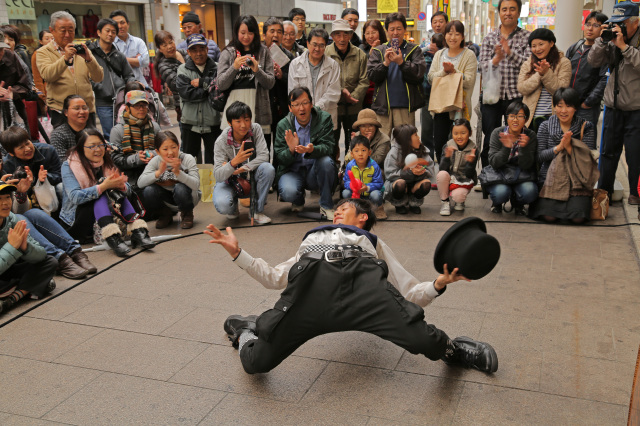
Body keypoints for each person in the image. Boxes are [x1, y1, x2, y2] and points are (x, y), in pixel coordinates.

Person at [206, 199, 500, 376]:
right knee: (256, 363)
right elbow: (273, 278)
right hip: (311, 292)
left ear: (363, 218)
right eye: (335, 209)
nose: (337, 212)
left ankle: (454, 351)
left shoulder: (371, 241)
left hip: (366, 291)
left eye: (344, 208)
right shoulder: (310, 239)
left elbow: (409, 294)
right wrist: (237, 252)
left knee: (422, 339)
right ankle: (247, 331)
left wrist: (440, 283)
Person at [60, 129, 155, 256]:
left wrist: (121, 185)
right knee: (102, 190)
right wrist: (103, 186)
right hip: (77, 220)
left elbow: (127, 189)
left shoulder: (106, 160)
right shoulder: (69, 165)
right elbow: (75, 197)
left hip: (103, 215)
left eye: (100, 145)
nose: (98, 150)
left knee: (111, 188)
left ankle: (139, 231)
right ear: (80, 148)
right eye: (92, 146)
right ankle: (113, 238)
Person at [588, 1, 640, 205]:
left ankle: (636, 194)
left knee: (635, 155)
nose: (618, 27)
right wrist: (602, 41)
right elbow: (593, 61)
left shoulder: (629, 41)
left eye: (623, 23)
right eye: (615, 23)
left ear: (635, 23)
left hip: (636, 109)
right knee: (607, 153)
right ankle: (604, 191)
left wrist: (625, 48)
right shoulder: (611, 38)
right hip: (613, 107)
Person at [5, 165, 96, 279]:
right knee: (19, 219)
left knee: (33, 213)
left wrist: (20, 194)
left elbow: (14, 212)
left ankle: (75, 251)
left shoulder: (5, 174)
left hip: (8, 225)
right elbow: (11, 217)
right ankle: (60, 259)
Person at [529, 88, 597, 223]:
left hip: (576, 180)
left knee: (578, 218)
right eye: (559, 106)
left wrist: (570, 148)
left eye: (568, 106)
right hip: (550, 178)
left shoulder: (586, 126)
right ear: (554, 107)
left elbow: (587, 161)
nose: (563, 111)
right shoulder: (545, 126)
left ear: (576, 108)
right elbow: (539, 157)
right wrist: (558, 148)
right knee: (549, 217)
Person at [478, 0, 531, 168]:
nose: (508, 13)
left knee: (516, 135)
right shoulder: (489, 38)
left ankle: (511, 173)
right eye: (504, 9)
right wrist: (496, 60)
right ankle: (488, 176)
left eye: (512, 9)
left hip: (516, 97)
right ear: (499, 12)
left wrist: (509, 52)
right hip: (492, 97)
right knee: (490, 138)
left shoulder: (527, 37)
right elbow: (482, 66)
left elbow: (528, 66)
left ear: (518, 12)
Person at [275, 87, 337, 219]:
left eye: (304, 103)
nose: (301, 108)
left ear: (311, 103)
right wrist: (291, 149)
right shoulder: (283, 125)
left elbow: (329, 147)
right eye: (296, 105)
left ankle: (326, 205)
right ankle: (297, 199)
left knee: (326, 162)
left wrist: (312, 150)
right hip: (293, 171)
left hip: (314, 171)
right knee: (288, 191)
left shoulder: (324, 118)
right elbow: (280, 158)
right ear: (290, 108)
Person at [36, 11, 104, 128]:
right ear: (52, 30)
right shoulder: (43, 52)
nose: (67, 34)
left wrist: (89, 60)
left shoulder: (81, 48)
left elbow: (98, 78)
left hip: (86, 110)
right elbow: (48, 75)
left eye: (71, 30)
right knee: (66, 145)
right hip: (61, 111)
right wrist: (65, 59)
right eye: (63, 30)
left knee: (90, 144)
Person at [213, 101, 275, 225]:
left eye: (247, 120)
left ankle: (257, 211)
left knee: (268, 169)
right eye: (238, 121)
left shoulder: (255, 129)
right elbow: (218, 175)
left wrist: (244, 168)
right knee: (224, 206)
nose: (243, 125)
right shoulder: (221, 141)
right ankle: (233, 206)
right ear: (229, 123)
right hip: (229, 181)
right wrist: (234, 162)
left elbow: (264, 155)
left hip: (250, 175)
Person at [0, 181, 57, 314]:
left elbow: (41, 254)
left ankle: (11, 299)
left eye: (7, 197)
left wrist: (26, 247)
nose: (5, 203)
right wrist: (12, 246)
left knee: (50, 262)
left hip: (9, 269)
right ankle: (29, 287)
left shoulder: (12, 219)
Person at [367, 13, 427, 137]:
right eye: (392, 29)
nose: (395, 33)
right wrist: (385, 64)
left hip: (405, 106)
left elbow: (419, 74)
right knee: (382, 143)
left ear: (405, 29)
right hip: (383, 107)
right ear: (387, 31)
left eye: (399, 29)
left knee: (405, 144)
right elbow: (372, 76)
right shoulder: (379, 50)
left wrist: (401, 62)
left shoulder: (414, 49)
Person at [428, 20, 478, 162]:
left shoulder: (469, 55)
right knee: (439, 143)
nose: (453, 37)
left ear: (462, 36)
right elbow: (431, 77)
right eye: (450, 33)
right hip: (440, 105)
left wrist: (454, 71)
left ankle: (458, 175)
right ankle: (444, 174)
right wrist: (444, 71)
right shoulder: (439, 55)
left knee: (459, 142)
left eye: (457, 34)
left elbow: (469, 81)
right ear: (445, 36)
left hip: (459, 107)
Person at [217, 15, 275, 136]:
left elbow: (270, 83)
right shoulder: (228, 52)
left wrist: (257, 70)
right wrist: (234, 67)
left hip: (259, 105)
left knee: (259, 148)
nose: (246, 37)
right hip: (234, 104)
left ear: (255, 34)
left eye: (250, 33)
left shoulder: (263, 51)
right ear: (236, 32)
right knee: (235, 148)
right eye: (242, 32)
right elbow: (221, 84)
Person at [138, 131, 200, 229]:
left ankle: (187, 214)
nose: (170, 152)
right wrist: (158, 173)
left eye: (173, 147)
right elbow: (140, 183)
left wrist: (179, 173)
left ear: (179, 146)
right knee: (149, 190)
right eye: (165, 149)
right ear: (158, 151)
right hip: (167, 199)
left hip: (188, 197)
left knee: (180, 188)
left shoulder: (187, 158)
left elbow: (196, 185)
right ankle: (165, 214)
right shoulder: (156, 161)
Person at [485, 101, 539, 215]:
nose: (515, 120)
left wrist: (524, 148)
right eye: (512, 116)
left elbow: (527, 165)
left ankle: (518, 202)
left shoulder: (530, 135)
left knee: (530, 192)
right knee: (500, 193)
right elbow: (494, 163)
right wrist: (506, 147)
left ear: (526, 119)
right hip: (500, 173)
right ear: (507, 118)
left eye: (520, 116)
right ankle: (497, 203)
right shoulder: (497, 133)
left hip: (522, 174)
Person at [325, 19, 369, 161]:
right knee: (331, 144)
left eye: (346, 34)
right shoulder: (326, 53)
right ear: (332, 36)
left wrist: (353, 97)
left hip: (354, 108)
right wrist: (340, 93)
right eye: (337, 34)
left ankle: (352, 177)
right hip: (332, 108)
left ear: (351, 35)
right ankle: (332, 176)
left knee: (354, 145)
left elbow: (364, 80)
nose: (342, 38)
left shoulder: (360, 54)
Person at [110, 90, 162, 207]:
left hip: (153, 174)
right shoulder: (118, 131)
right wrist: (137, 158)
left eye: (144, 105)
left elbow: (164, 149)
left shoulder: (154, 127)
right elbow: (115, 159)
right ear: (127, 108)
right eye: (137, 106)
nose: (141, 109)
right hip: (131, 179)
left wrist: (153, 153)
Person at [88, 18, 136, 141]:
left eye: (113, 32)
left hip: (120, 101)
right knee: (109, 134)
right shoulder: (90, 54)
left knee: (124, 133)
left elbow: (129, 75)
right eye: (107, 31)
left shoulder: (118, 55)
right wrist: (99, 87)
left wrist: (129, 88)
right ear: (99, 32)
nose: (110, 34)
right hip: (103, 102)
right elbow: (86, 76)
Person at [176, 34, 220, 165]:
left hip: (213, 122)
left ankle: (213, 186)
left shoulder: (218, 68)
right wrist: (210, 87)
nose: (198, 53)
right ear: (188, 52)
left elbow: (221, 89)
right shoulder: (182, 70)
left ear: (207, 49)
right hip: (190, 123)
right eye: (194, 50)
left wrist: (202, 82)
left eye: (201, 48)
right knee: (190, 163)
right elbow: (187, 94)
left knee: (214, 162)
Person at [517, 29, 571, 133]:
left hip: (553, 118)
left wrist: (546, 73)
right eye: (533, 46)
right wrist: (539, 74)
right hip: (530, 119)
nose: (537, 49)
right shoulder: (528, 63)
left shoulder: (564, 62)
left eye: (541, 44)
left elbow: (561, 90)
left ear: (551, 43)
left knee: (549, 149)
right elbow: (522, 88)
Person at [288, 27, 341, 131]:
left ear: (326, 46)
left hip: (326, 119)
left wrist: (315, 108)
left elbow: (334, 93)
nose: (317, 49)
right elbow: (293, 92)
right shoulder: (295, 64)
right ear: (308, 44)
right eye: (314, 44)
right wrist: (306, 108)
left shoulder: (333, 65)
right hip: (302, 119)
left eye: (321, 45)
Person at [566, 11, 608, 135]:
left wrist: (588, 102)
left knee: (585, 142)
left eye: (596, 25)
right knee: (566, 139)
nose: (590, 28)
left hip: (587, 107)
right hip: (569, 103)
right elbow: (564, 71)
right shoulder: (575, 47)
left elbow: (604, 79)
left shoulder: (604, 51)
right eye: (588, 24)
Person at [345, 108, 391, 219]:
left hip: (375, 172)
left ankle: (379, 207)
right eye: (363, 126)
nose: (367, 129)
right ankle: (354, 209)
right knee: (345, 191)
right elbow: (347, 159)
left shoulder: (384, 139)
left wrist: (366, 143)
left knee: (376, 193)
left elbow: (377, 160)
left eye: (370, 125)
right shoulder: (356, 137)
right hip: (357, 172)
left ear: (376, 126)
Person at [1, 126, 62, 202]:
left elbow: (59, 175)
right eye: (21, 147)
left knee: (61, 187)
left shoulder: (48, 151)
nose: (28, 149)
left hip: (50, 192)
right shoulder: (7, 164)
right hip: (24, 200)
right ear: (11, 153)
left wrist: (45, 178)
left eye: (27, 143)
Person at [384, 124, 435, 215]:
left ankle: (414, 203)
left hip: (415, 184)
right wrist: (408, 172)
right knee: (400, 184)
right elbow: (390, 174)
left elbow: (430, 170)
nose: (418, 137)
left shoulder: (422, 150)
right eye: (415, 135)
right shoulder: (394, 153)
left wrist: (421, 171)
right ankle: (399, 204)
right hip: (400, 183)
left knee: (426, 184)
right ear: (407, 140)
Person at [437, 119, 477, 215]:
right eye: (455, 133)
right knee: (442, 175)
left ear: (470, 133)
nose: (459, 136)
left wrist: (470, 163)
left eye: (463, 133)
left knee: (458, 197)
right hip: (449, 177)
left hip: (463, 180)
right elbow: (442, 169)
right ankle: (445, 201)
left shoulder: (473, 149)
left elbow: (469, 174)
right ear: (452, 134)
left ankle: (460, 201)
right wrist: (447, 157)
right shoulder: (448, 146)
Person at [342, 136, 384, 209]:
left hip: (369, 193)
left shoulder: (374, 166)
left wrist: (367, 187)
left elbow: (379, 183)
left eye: (363, 150)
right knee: (345, 193)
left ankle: (378, 208)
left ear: (369, 152)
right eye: (356, 151)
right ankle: (354, 208)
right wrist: (352, 186)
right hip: (356, 194)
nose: (360, 154)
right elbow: (346, 182)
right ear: (352, 154)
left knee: (376, 195)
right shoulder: (350, 166)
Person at [110, 10, 149, 88]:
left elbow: (145, 61)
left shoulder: (138, 42)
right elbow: (112, 64)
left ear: (128, 24)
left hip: (139, 85)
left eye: (122, 22)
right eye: (116, 23)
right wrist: (136, 60)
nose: (120, 26)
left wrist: (121, 60)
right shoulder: (110, 44)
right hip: (119, 88)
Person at [155, 31, 186, 126]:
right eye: (164, 45)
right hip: (182, 105)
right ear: (159, 49)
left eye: (170, 42)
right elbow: (177, 84)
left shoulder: (183, 52)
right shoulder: (163, 65)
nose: (169, 47)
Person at [421, 33, 445, 157]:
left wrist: (439, 53)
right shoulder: (425, 53)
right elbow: (416, 53)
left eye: (437, 42)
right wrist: (427, 49)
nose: (433, 44)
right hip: (426, 96)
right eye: (432, 41)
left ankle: (443, 159)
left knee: (441, 131)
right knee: (426, 130)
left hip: (443, 98)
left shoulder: (446, 54)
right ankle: (428, 159)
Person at [50, 95, 90, 161]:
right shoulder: (58, 134)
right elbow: (61, 161)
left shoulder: (94, 131)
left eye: (84, 108)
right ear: (66, 112)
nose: (82, 112)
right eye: (77, 108)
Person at [359, 20, 387, 110]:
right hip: (365, 94)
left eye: (373, 33)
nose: (370, 36)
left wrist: (378, 50)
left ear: (380, 33)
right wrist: (371, 55)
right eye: (367, 33)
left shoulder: (387, 47)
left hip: (383, 93)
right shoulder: (361, 49)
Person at [32, 30, 54, 108]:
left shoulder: (57, 52)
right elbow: (37, 78)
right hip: (48, 92)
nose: (51, 41)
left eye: (52, 38)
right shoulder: (37, 54)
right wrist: (42, 97)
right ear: (41, 41)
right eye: (47, 39)